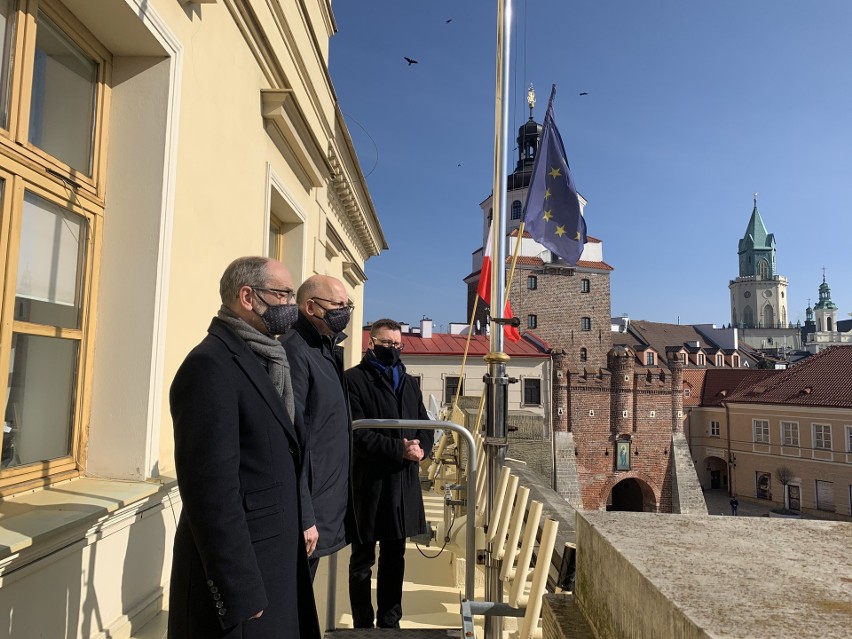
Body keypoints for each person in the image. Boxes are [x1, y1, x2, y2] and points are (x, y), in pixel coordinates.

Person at [168, 256, 320, 639]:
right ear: (248, 297)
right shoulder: (210, 365)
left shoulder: (269, 357)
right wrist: (238, 588)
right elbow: (210, 492)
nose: (291, 305)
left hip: (276, 561)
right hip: (244, 581)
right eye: (283, 294)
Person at [345, 318, 435, 629]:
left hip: (402, 484)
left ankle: (389, 621)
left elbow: (425, 425)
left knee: (395, 558)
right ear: (371, 343)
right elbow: (356, 434)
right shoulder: (353, 380)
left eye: (397, 345)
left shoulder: (409, 383)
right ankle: (362, 624)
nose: (393, 350)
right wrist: (399, 449)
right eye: (386, 344)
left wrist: (422, 448)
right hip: (368, 483)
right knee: (362, 561)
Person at [280, 274, 358, 581]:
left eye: (347, 305)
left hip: (323, 501)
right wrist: (304, 515)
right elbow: (290, 439)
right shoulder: (295, 351)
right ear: (311, 307)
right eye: (338, 305)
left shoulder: (325, 350)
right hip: (306, 509)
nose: (345, 312)